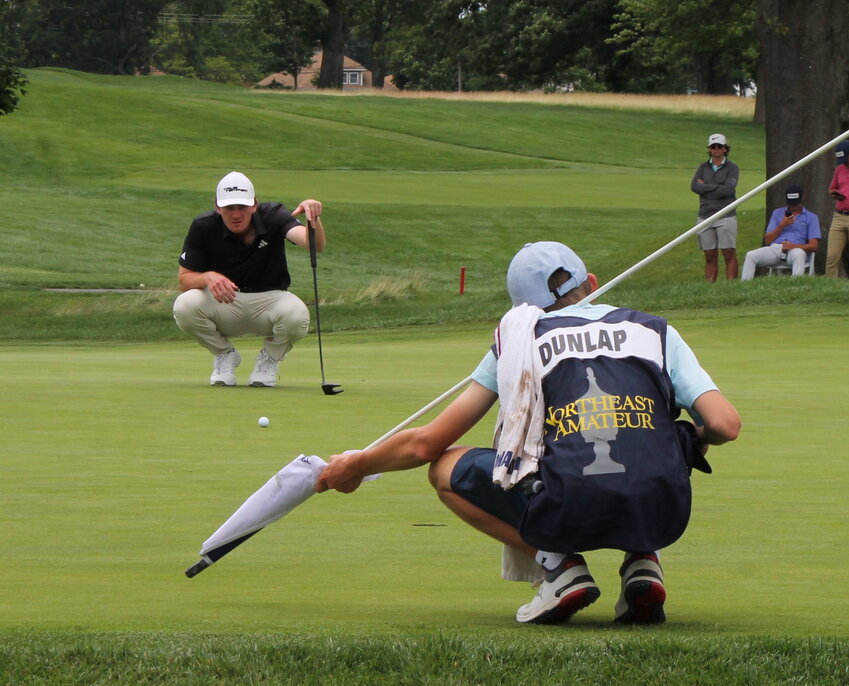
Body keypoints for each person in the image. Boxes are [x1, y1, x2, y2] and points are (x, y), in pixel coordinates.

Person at [316, 241, 741, 626]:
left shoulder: (518, 339)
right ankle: (643, 563)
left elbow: (427, 444)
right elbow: (726, 424)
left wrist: (357, 465)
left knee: (445, 469)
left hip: (567, 502)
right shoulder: (655, 330)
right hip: (664, 506)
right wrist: (693, 439)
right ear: (592, 283)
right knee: (665, 436)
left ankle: (559, 568)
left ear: (520, 309)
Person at [173, 171, 326, 387]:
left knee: (297, 315)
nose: (236, 214)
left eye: (242, 207)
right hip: (225, 303)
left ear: (254, 205)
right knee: (184, 306)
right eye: (229, 208)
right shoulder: (203, 225)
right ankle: (224, 355)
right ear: (218, 207)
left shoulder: (273, 215)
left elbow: (314, 245)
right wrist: (207, 277)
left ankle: (269, 360)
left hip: (269, 301)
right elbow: (184, 281)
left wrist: (314, 219)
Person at [740, 184, 820, 280]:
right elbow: (767, 240)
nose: (793, 207)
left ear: (802, 198)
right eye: (790, 204)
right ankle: (745, 286)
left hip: (795, 250)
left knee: (800, 254)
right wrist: (782, 225)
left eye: (796, 204)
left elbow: (814, 246)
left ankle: (795, 287)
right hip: (776, 248)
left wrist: (793, 246)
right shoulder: (777, 213)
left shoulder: (811, 217)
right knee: (750, 255)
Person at [691, 133, 740, 281]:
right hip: (705, 214)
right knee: (709, 254)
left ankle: (731, 286)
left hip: (725, 215)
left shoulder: (732, 167)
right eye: (713, 147)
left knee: (728, 252)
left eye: (719, 146)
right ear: (709, 149)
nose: (716, 149)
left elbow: (728, 190)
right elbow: (694, 186)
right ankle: (710, 287)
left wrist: (705, 186)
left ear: (725, 149)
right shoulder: (702, 167)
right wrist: (717, 188)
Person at [825, 140, 849, 278]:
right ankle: (830, 287)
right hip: (839, 217)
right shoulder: (839, 169)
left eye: (846, 158)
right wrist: (834, 193)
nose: (844, 162)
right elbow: (832, 188)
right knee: (832, 256)